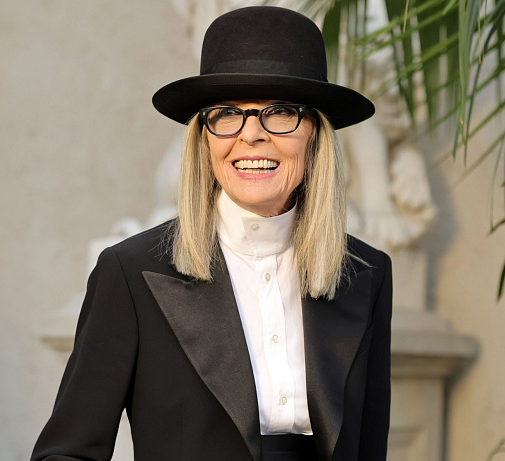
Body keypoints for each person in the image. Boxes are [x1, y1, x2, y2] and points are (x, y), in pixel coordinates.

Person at [31, 6, 392, 461]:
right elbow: (67, 452)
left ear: (315, 134)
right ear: (204, 137)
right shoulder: (130, 272)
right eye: (227, 114)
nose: (251, 135)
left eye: (281, 113)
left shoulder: (366, 273)